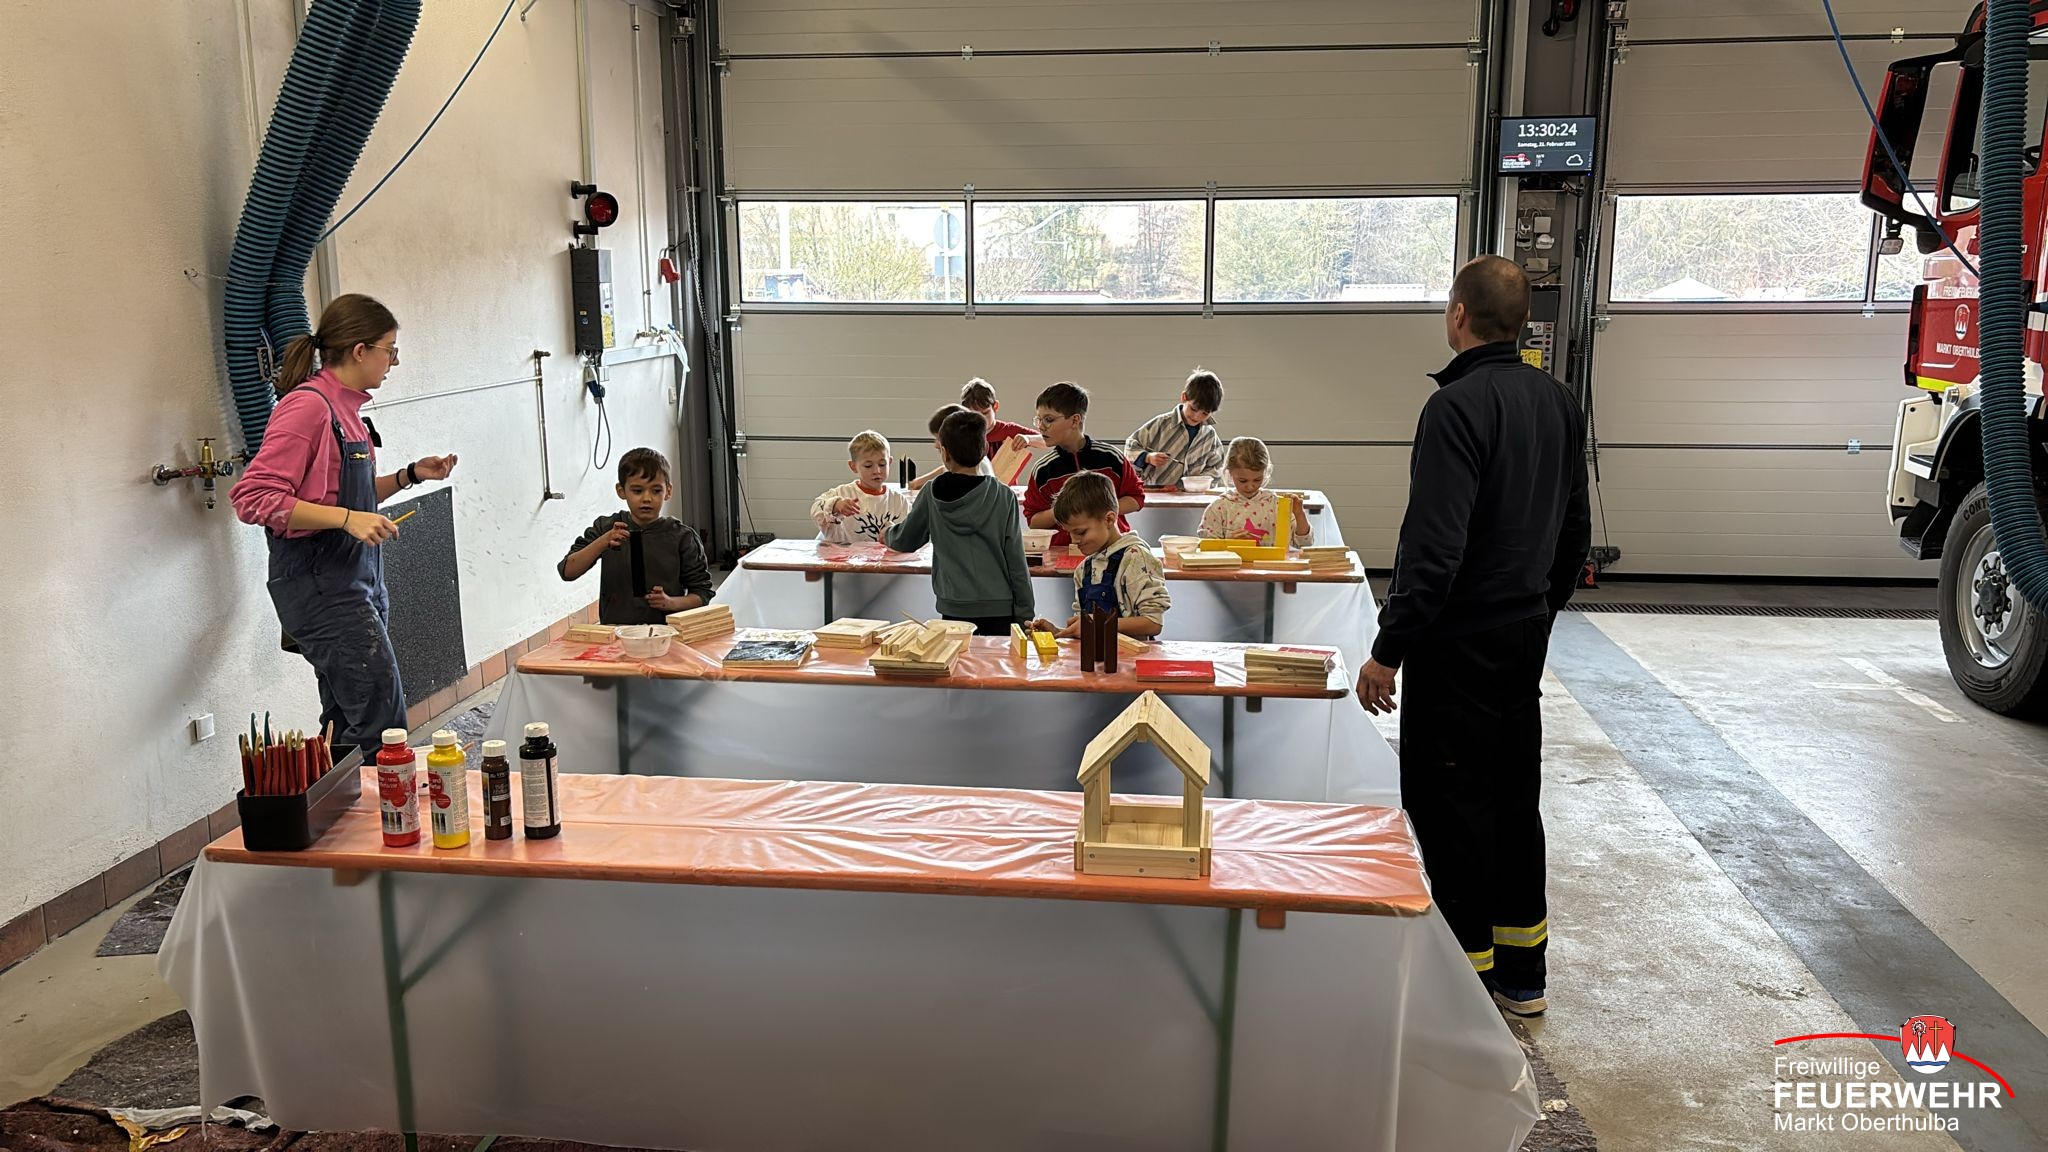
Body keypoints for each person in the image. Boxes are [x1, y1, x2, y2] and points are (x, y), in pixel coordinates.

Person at [1357, 255, 1591, 1019]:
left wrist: (1389, 649)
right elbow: (1574, 536)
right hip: (1521, 636)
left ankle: (1464, 989)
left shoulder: (1454, 408)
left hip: (1457, 644)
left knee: (1450, 805)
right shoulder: (1559, 402)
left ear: (1458, 315)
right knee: (1514, 801)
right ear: (1520, 323)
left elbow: (1434, 549)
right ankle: (1523, 976)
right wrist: (1538, 614)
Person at [230, 293, 458, 755]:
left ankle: (342, 801)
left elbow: (347, 497)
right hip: (321, 587)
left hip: (359, 581)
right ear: (359, 350)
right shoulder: (307, 408)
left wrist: (410, 475)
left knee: (345, 721)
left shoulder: (345, 412)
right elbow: (253, 498)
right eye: (389, 350)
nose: (394, 361)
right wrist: (348, 519)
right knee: (382, 727)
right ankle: (380, 803)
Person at [884, 409, 1036, 635]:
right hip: (999, 608)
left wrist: (887, 533)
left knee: (958, 657)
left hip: (954, 606)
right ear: (985, 449)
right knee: (995, 658)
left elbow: (905, 540)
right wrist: (1025, 615)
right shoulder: (1004, 496)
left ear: (944, 453)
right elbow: (1016, 561)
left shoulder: (931, 493)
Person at [558, 447, 715, 625]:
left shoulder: (682, 537)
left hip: (666, 633)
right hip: (616, 633)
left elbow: (702, 594)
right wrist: (602, 542)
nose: (647, 498)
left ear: (668, 491)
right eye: (638, 491)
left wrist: (671, 603)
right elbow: (567, 571)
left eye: (656, 490)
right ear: (621, 491)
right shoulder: (606, 528)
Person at [1028, 472, 1168, 640]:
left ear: (1109, 519)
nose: (1074, 540)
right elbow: (1086, 629)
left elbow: (1153, 623)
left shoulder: (1136, 558)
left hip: (1132, 655)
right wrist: (1058, 633)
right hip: (1094, 656)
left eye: (1080, 532)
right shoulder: (1084, 569)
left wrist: (1098, 623)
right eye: (1069, 533)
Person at [1021, 381, 1145, 549]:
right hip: (1066, 551)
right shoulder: (1043, 469)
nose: (1041, 427)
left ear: (1075, 420)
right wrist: (1067, 511)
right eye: (1039, 420)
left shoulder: (1111, 458)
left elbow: (1136, 499)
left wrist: (1095, 512)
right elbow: (1034, 521)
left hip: (1113, 549)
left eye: (1049, 420)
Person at [1196, 436, 1313, 548]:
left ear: (1265, 472)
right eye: (1243, 481)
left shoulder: (1276, 505)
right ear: (1230, 472)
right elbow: (1207, 548)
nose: (1250, 486)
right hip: (1233, 562)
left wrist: (1299, 514)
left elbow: (1304, 543)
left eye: (1257, 480)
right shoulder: (1219, 508)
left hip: (1270, 562)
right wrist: (1229, 543)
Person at [1125, 367, 1225, 490]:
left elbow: (1217, 468)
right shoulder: (1161, 424)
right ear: (1184, 397)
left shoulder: (1210, 436)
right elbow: (1130, 446)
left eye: (1205, 413)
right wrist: (1148, 457)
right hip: (1157, 493)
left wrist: (1195, 484)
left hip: (1192, 497)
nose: (1197, 417)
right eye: (1193, 409)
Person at [810, 430, 912, 544]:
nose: (877, 471)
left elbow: (910, 532)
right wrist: (835, 505)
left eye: (882, 464)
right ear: (853, 466)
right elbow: (816, 509)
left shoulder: (899, 502)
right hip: (844, 554)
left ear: (890, 462)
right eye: (868, 466)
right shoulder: (842, 493)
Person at [908, 405, 996, 492]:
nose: (936, 445)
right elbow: (943, 470)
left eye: (938, 438)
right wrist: (917, 483)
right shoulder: (966, 461)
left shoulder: (978, 467)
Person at [960, 377, 1041, 455]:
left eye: (985, 413)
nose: (981, 420)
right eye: (974, 416)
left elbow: (1046, 440)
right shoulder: (960, 432)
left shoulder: (1008, 430)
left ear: (995, 406)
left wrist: (1028, 439)